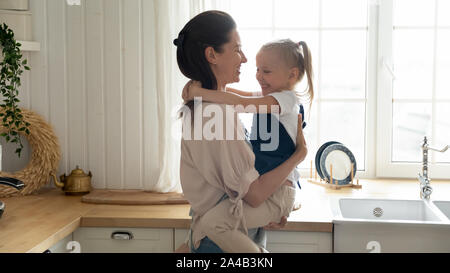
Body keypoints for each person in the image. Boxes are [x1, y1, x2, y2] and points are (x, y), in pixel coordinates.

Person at [175, 10, 308, 253]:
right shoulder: (214, 115)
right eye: (237, 49)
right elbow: (254, 195)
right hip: (221, 243)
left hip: (226, 233)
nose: (245, 59)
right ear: (212, 54)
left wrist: (269, 209)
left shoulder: (210, 109)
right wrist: (299, 156)